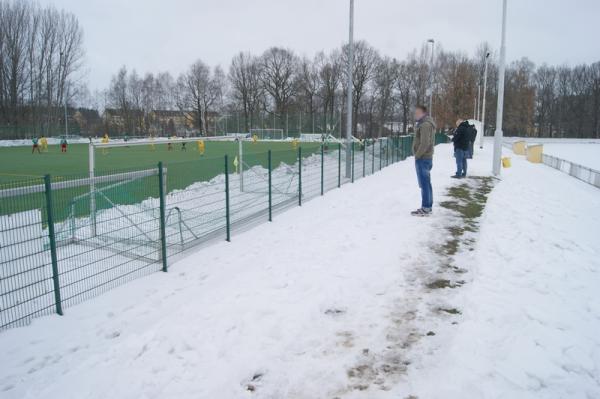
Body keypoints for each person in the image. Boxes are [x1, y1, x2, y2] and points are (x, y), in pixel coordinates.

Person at [411, 105, 436, 216]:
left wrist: (417, 155)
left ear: (423, 113)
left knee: (424, 184)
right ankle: (428, 206)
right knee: (426, 183)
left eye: (417, 113)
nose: (415, 115)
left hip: (423, 158)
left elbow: (425, 142)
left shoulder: (425, 125)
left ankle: (426, 208)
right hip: (425, 158)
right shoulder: (424, 123)